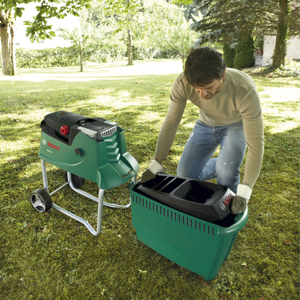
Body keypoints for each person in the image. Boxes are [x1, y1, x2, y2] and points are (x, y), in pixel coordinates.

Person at [141, 46, 264, 214]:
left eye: (209, 88)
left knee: (226, 175)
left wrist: (245, 191)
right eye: (197, 89)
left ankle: (227, 183)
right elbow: (171, 122)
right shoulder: (183, 82)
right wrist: (157, 163)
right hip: (205, 124)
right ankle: (225, 163)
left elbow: (256, 144)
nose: (203, 95)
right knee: (183, 174)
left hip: (235, 125)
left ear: (223, 74)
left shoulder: (244, 89)